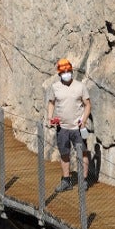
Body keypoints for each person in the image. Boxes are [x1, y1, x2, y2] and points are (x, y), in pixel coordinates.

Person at [46, 57, 92, 191]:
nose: (66, 73)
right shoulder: (55, 87)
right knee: (64, 153)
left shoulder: (80, 86)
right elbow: (51, 103)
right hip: (62, 128)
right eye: (64, 72)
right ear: (59, 74)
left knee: (82, 153)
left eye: (68, 71)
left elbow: (88, 104)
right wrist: (50, 117)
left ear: (71, 71)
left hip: (77, 127)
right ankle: (66, 180)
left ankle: (83, 180)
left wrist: (83, 120)